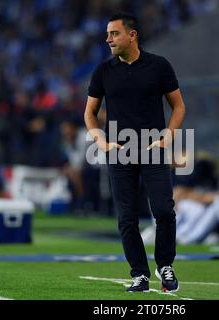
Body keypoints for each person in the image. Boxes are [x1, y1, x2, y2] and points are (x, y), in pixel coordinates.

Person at [84, 13, 185, 293]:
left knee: (164, 210)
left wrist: (168, 136)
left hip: (154, 150)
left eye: (114, 33)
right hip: (119, 153)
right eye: (107, 34)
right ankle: (139, 274)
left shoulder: (159, 66)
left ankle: (165, 265)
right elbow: (89, 114)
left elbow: (178, 107)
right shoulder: (103, 71)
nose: (108, 39)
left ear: (132, 35)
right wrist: (102, 143)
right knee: (126, 218)